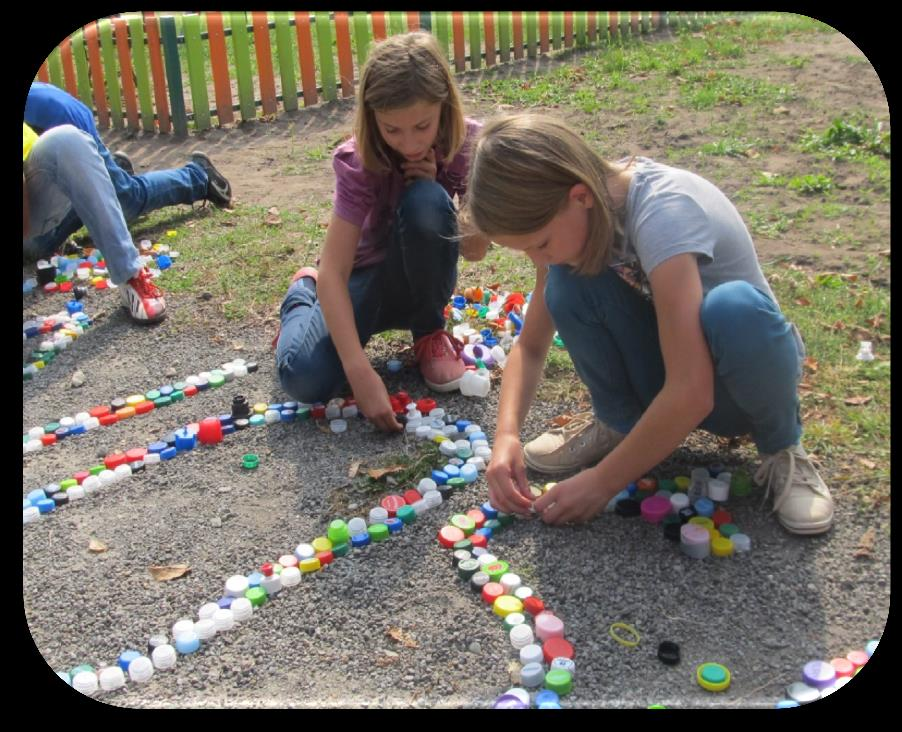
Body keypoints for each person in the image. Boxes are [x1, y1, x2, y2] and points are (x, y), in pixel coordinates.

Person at [462, 114, 833, 536]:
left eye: (541, 243)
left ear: (579, 196)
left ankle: (782, 447)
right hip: (675, 375)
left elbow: (692, 391)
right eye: (526, 250)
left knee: (734, 308)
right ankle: (621, 425)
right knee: (565, 283)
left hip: (735, 388)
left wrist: (603, 483)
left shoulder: (663, 213)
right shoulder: (577, 216)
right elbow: (530, 348)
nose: (539, 260)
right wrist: (505, 435)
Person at [274, 32, 491, 432]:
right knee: (305, 379)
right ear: (372, 117)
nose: (409, 143)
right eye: (393, 130)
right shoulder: (358, 160)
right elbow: (336, 272)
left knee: (426, 200)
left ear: (445, 106)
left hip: (416, 286)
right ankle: (302, 295)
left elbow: (476, 249)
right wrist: (358, 370)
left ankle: (428, 333)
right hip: (363, 280)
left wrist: (442, 191)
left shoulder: (468, 143)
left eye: (422, 126)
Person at [24, 81, 232, 257]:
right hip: (49, 115)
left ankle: (199, 177)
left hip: (61, 121)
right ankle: (107, 175)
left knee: (128, 200)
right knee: (36, 244)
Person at [24, 121, 166, 322]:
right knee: (124, 195)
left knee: (66, 140)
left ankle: (129, 273)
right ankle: (108, 175)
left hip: (38, 210)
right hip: (47, 229)